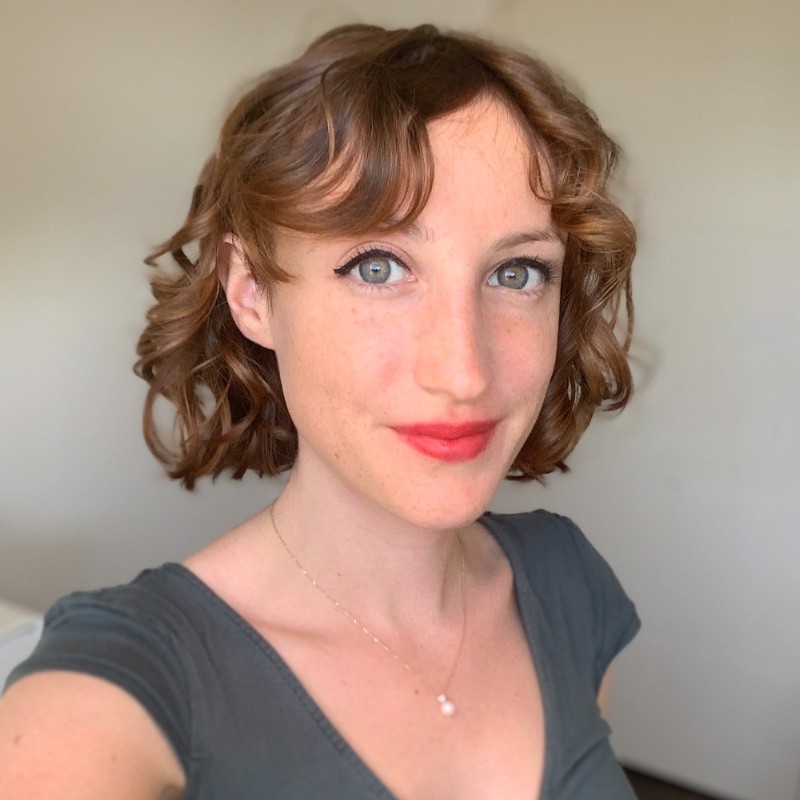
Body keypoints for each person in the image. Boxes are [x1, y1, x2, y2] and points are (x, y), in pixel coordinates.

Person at [0, 22, 639, 800]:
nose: (464, 372)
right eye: (378, 267)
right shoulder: (129, 685)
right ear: (251, 293)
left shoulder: (569, 581)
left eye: (517, 272)